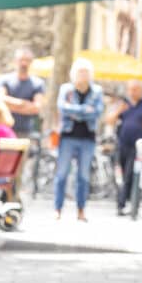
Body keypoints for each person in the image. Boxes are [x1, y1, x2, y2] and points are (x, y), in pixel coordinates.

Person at [54, 57, 105, 221]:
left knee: (83, 176)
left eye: (85, 72)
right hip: (68, 136)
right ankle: (57, 208)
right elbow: (63, 108)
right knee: (61, 174)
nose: (83, 75)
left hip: (87, 137)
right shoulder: (66, 90)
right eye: (80, 72)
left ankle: (81, 210)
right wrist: (84, 110)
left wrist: (75, 112)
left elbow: (97, 111)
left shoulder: (96, 91)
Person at [105, 79, 142, 215]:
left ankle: (124, 204)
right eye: (130, 89)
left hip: (139, 146)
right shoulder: (123, 104)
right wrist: (119, 110)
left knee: (131, 175)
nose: (132, 92)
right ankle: (126, 203)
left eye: (135, 89)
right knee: (122, 175)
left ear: (141, 90)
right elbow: (109, 121)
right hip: (123, 144)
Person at [0, 47, 45, 136]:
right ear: (15, 61)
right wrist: (22, 103)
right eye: (21, 60)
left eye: (27, 60)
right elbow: (0, 100)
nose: (24, 63)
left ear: (31, 62)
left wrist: (9, 105)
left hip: (26, 131)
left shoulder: (37, 83)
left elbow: (36, 108)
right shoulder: (4, 80)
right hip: (3, 129)